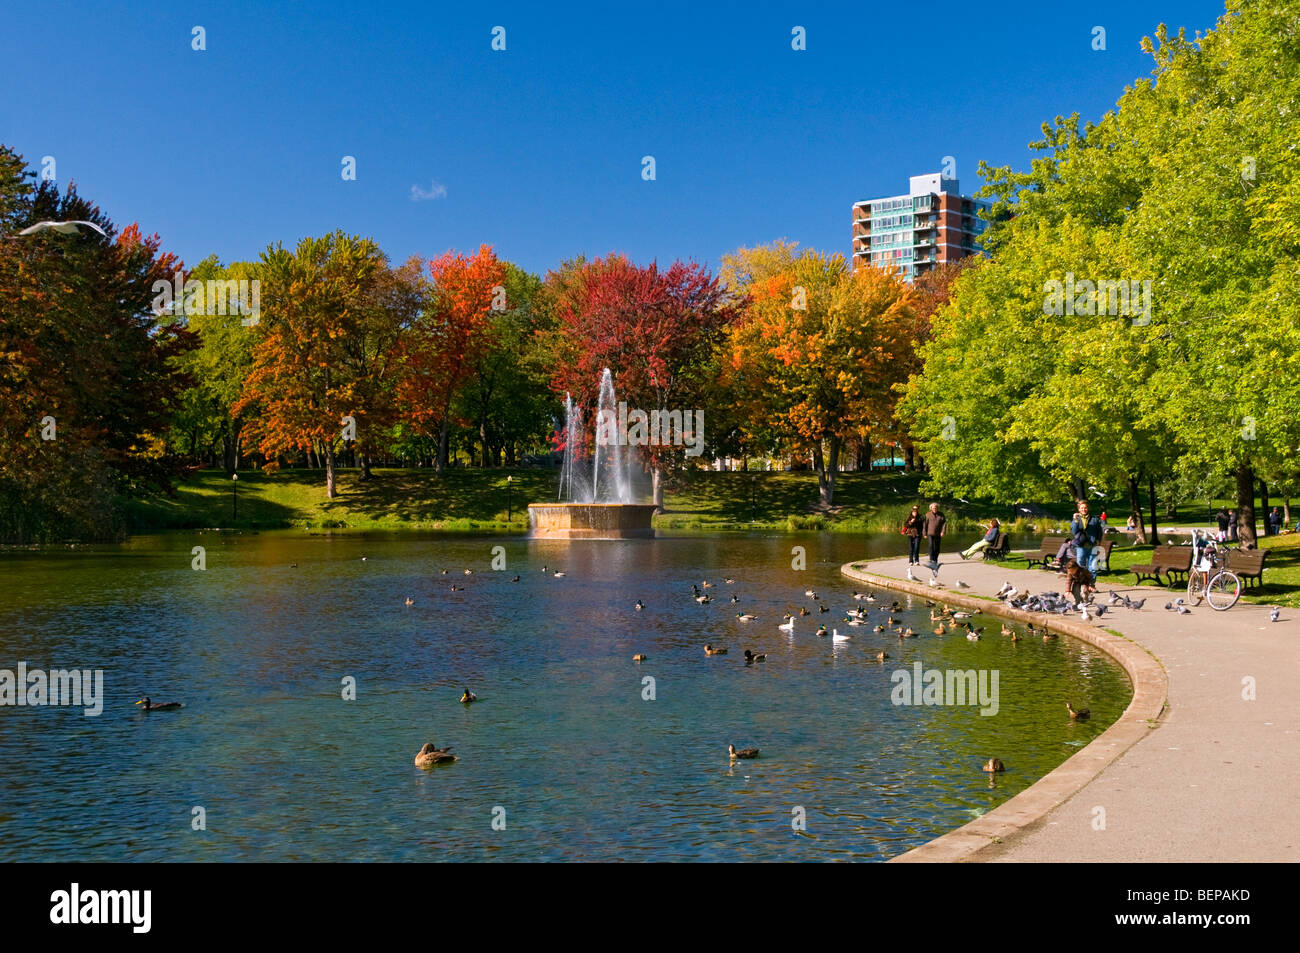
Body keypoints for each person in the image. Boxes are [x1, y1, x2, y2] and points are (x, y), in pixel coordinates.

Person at [1070, 500, 1104, 574]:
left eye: (1085, 508)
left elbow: (1099, 531)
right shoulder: (1076, 519)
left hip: (1092, 545)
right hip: (1081, 545)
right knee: (1081, 565)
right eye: (1082, 508)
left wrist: (1098, 540)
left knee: (1093, 566)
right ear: (1079, 509)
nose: (1083, 510)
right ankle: (1082, 582)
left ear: (1088, 508)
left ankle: (1092, 584)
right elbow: (1074, 532)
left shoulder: (1094, 519)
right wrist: (1075, 520)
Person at [922, 502, 946, 568]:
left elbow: (944, 524)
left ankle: (935, 560)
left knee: (937, 547)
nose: (935, 509)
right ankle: (931, 559)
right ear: (931, 508)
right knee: (931, 546)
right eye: (933, 508)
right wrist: (924, 533)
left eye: (936, 508)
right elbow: (925, 525)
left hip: (938, 534)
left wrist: (943, 532)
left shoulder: (941, 514)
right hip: (930, 533)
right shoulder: (927, 515)